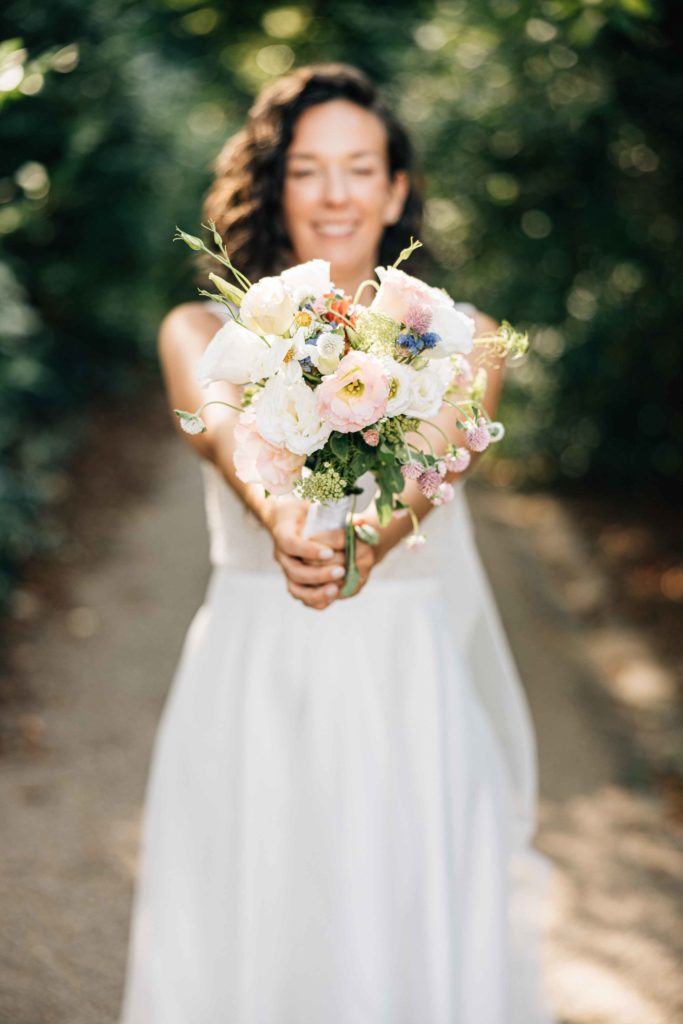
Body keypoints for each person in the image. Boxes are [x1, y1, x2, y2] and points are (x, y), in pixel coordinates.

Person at [118, 63, 556, 1024]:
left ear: (395, 188)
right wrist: (282, 521)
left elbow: (430, 478)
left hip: (402, 671)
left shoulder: (469, 340)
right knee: (252, 912)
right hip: (253, 662)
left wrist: (364, 541)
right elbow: (229, 435)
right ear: (276, 183)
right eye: (308, 169)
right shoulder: (197, 329)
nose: (334, 194)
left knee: (395, 918)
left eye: (358, 168)